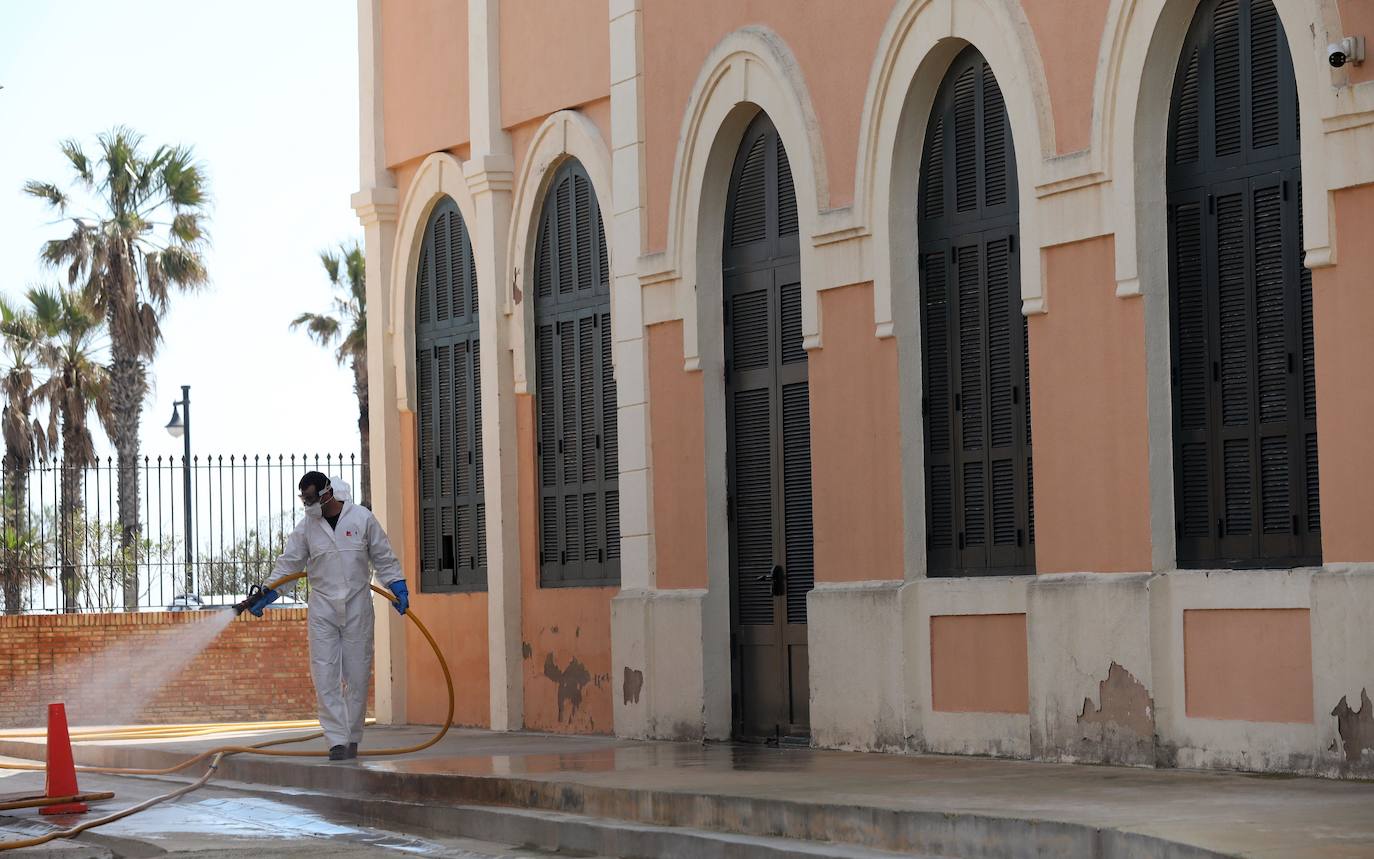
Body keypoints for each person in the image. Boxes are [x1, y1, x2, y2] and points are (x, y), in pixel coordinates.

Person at [246, 471, 409, 761]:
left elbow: (383, 556)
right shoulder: (306, 527)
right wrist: (268, 594)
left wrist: (396, 585)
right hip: (322, 609)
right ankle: (336, 740)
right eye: (304, 500)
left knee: (357, 676)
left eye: (311, 499)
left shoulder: (361, 519)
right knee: (325, 675)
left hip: (357, 606)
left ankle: (352, 737)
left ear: (327, 493)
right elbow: (289, 565)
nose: (308, 505)